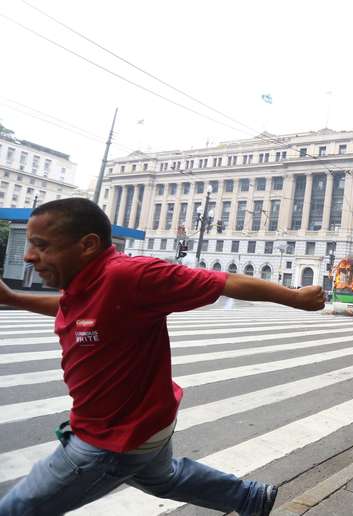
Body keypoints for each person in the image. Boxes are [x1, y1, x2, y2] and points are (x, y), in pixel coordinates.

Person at [0, 198, 325, 515]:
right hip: (147, 423)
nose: (28, 256)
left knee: (18, 508)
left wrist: (294, 297)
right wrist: (14, 298)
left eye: (41, 245)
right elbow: (73, 309)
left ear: (87, 245)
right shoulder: (82, 285)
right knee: (163, 478)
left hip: (112, 438)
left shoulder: (130, 276)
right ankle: (249, 498)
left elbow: (227, 280)